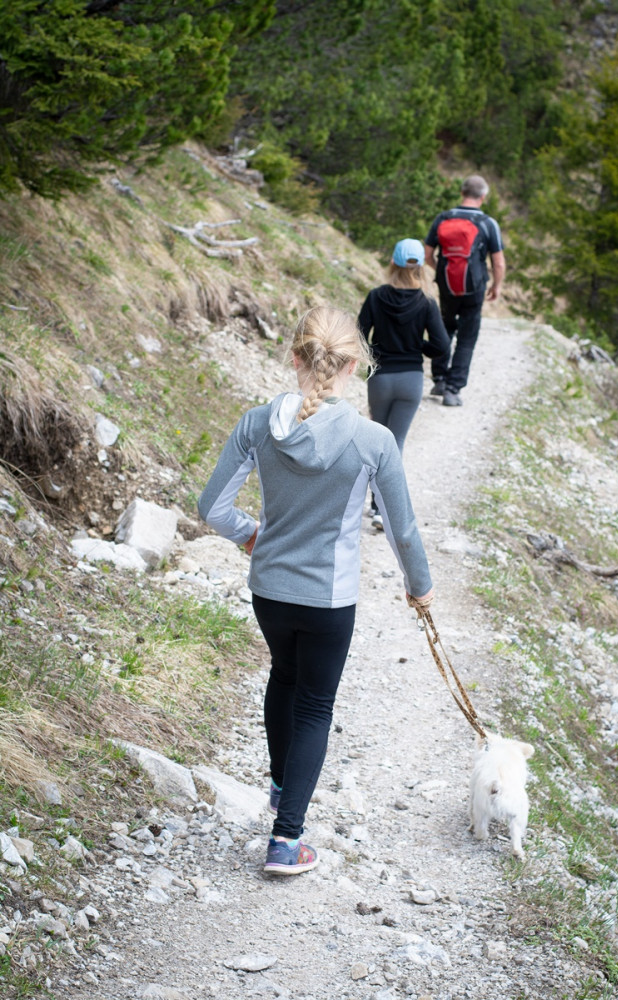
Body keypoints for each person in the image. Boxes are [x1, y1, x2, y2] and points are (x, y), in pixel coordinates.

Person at [198, 306, 434, 876]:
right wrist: (419, 588)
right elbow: (401, 527)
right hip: (329, 600)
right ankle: (286, 839)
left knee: (284, 675)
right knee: (315, 704)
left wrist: (251, 534)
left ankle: (283, 790)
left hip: (270, 592)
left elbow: (211, 509)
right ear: (356, 365)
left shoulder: (258, 423)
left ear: (295, 357)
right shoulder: (373, 440)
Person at [358, 238, 450, 530]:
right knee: (394, 445)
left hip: (381, 378)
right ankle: (382, 510)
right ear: (421, 267)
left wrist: (378, 352)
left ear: (393, 263)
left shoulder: (375, 296)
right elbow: (442, 346)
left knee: (376, 443)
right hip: (410, 380)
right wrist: (417, 346)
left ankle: (372, 506)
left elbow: (359, 335)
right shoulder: (426, 302)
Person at [424, 174, 505, 406]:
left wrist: (441, 272)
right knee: (467, 338)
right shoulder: (488, 223)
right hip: (475, 288)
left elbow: (427, 254)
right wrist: (496, 286)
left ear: (462, 193)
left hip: (447, 285)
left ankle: (439, 379)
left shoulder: (443, 218)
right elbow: (498, 262)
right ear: (483, 197)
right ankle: (452, 389)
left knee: (444, 328)